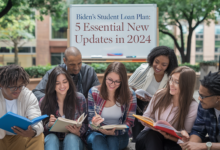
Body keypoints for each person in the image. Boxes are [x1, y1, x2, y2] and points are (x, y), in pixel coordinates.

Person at [136, 66, 199, 150]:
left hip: (173, 141)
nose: (171, 84)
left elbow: (185, 139)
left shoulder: (192, 106)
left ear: (186, 85)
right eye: (171, 79)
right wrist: (150, 124)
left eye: (177, 82)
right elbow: (146, 116)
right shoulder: (159, 94)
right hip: (150, 135)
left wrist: (168, 136)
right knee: (153, 136)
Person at [128, 46, 178, 141]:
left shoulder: (172, 77)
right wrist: (135, 93)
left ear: (170, 65)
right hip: (139, 108)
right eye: (156, 62)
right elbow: (127, 88)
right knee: (138, 139)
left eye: (164, 64)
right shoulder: (142, 70)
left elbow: (174, 98)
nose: (158, 67)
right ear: (152, 59)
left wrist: (153, 101)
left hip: (160, 110)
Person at [86, 62, 137, 150]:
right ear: (105, 76)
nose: (112, 84)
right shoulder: (94, 92)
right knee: (98, 140)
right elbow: (90, 120)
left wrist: (113, 133)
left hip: (119, 134)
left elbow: (130, 122)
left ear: (122, 81)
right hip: (96, 133)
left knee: (112, 139)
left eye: (117, 81)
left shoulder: (130, 95)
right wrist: (95, 124)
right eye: (110, 79)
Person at [39, 67, 87, 150]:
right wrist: (48, 125)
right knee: (51, 138)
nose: (62, 86)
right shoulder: (44, 101)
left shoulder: (79, 99)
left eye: (65, 82)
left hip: (74, 141)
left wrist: (78, 132)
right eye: (57, 83)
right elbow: (39, 128)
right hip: (53, 142)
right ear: (52, 85)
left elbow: (86, 124)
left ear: (69, 82)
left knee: (71, 137)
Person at [0, 65, 44, 150]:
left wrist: (32, 132)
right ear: (1, 84)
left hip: (20, 138)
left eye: (20, 86)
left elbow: (36, 119)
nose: (17, 90)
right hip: (1, 139)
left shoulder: (28, 96)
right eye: (13, 86)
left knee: (38, 135)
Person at [33, 47, 100, 100]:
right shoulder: (53, 73)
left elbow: (98, 92)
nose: (76, 68)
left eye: (79, 63)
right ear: (64, 61)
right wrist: (53, 100)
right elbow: (36, 93)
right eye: (72, 64)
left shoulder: (89, 71)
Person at [180, 71, 220, 150]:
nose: (199, 98)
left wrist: (204, 146)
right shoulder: (203, 106)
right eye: (199, 94)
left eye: (203, 96)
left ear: (218, 98)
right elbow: (198, 130)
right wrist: (190, 145)